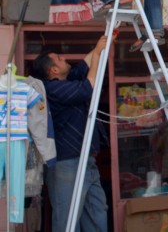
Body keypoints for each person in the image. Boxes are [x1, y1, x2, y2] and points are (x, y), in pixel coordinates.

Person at [31, 35, 114, 232]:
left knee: (97, 211)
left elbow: (83, 68)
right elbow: (88, 88)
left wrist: (101, 45)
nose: (64, 59)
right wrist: (97, 54)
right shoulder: (52, 89)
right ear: (53, 70)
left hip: (87, 161)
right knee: (67, 220)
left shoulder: (65, 82)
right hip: (66, 164)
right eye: (59, 59)